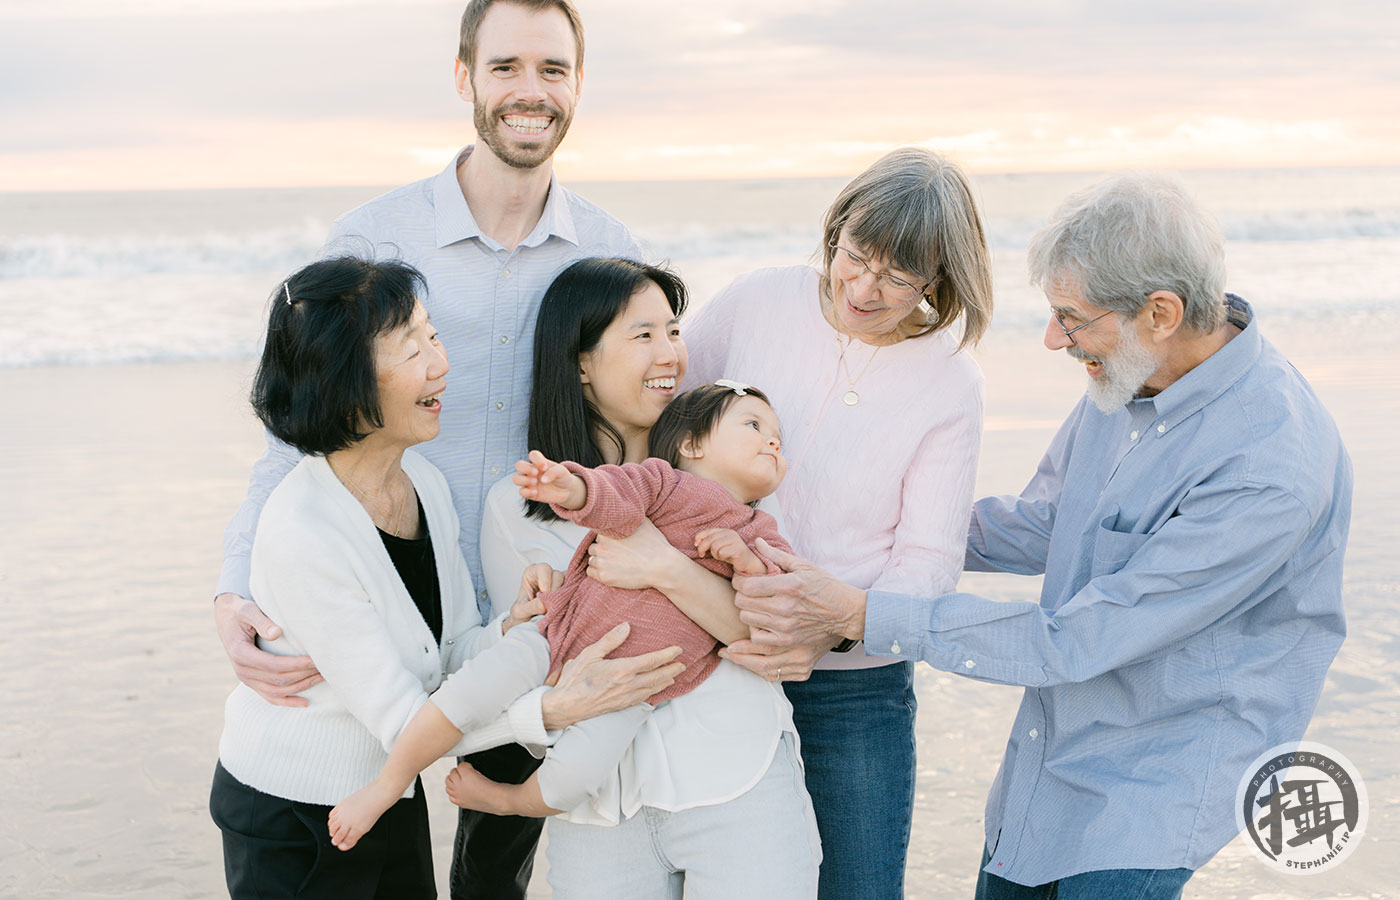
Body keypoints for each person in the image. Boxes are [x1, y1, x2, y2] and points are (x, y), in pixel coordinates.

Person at [727, 173, 1353, 899]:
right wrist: (886, 523)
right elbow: (1048, 525)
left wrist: (857, 611)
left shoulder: (1267, 469)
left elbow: (1074, 639)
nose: (1056, 339)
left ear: (1161, 311)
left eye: (1074, 318)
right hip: (1051, 763)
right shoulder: (1132, 376)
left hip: (1159, 783)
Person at [210, 2, 660, 896]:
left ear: (578, 84)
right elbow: (293, 433)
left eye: (554, 69)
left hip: (528, 608)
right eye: (505, 68)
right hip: (381, 596)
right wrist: (237, 583)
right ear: (465, 77)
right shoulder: (377, 241)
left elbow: (641, 423)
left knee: (501, 872)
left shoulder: (610, 252)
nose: (530, 92)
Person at [210, 258, 680, 899]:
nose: (441, 364)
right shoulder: (303, 531)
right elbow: (407, 725)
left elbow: (451, 652)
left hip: (386, 791)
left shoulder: (422, 483)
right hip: (292, 809)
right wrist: (553, 708)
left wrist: (513, 625)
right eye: (412, 349)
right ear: (347, 382)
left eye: (433, 336)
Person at [599, 147, 988, 899]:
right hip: (705, 655)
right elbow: (659, 415)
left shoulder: (949, 380)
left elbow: (930, 560)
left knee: (858, 887)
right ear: (835, 230)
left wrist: (832, 625)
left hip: (852, 688)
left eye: (899, 277)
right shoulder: (759, 300)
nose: (865, 289)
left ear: (940, 279)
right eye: (856, 256)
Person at [476, 257, 821, 898]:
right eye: (643, 336)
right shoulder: (512, 506)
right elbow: (517, 665)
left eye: (673, 330)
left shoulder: (720, 478)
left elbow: (774, 647)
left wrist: (664, 569)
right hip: (599, 808)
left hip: (738, 782)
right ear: (580, 363)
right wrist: (551, 711)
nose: (670, 353)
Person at [329, 382, 795, 843]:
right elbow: (613, 495)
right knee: (467, 693)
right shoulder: (665, 483)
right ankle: (389, 783)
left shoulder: (763, 531)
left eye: (778, 437)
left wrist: (748, 561)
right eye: (754, 425)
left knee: (576, 779)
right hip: (555, 633)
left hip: (635, 686)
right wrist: (571, 487)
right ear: (691, 443)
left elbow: (774, 600)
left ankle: (508, 801)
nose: (772, 440)